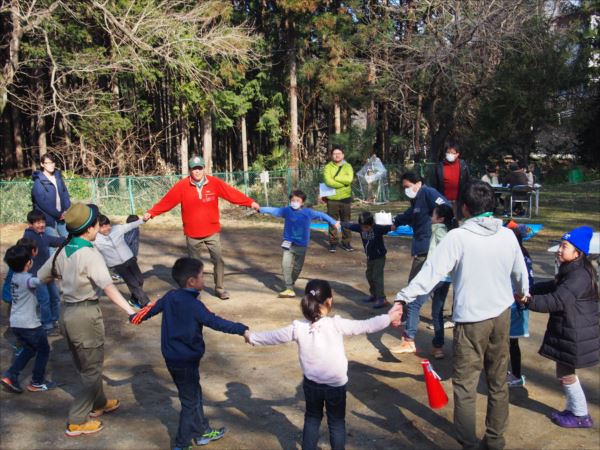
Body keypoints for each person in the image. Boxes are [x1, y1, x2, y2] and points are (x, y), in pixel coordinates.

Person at [392, 181, 529, 450]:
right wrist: (522, 292)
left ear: (464, 208)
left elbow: (430, 273)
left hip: (471, 321)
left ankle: (468, 443)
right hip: (501, 316)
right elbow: (520, 273)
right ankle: (495, 440)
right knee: (497, 381)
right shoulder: (507, 235)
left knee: (466, 386)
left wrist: (403, 297)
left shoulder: (458, 237)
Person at [245, 279, 401, 450]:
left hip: (312, 385)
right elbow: (366, 325)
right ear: (330, 301)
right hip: (336, 385)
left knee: (312, 419)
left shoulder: (298, 327)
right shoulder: (336, 324)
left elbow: (272, 337)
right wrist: (389, 317)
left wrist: (252, 337)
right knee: (336, 422)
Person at [37, 202, 137, 437]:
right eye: (95, 224)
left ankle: (99, 402)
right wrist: (131, 311)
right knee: (91, 370)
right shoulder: (90, 253)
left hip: (67, 313)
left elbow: (41, 276)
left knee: (86, 364)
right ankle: (77, 420)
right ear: (90, 229)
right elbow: (109, 288)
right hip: (85, 315)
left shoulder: (62, 249)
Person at [129, 257, 248, 450]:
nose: (204, 279)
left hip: (176, 359)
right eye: (202, 276)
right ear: (191, 281)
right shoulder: (194, 306)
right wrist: (242, 329)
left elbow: (148, 311)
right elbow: (216, 322)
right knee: (189, 402)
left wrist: (135, 317)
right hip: (184, 361)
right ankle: (181, 444)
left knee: (194, 394)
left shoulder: (170, 296)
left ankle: (202, 431)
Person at [143, 155, 260, 300]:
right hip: (192, 233)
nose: (197, 172)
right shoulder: (182, 186)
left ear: (204, 168)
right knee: (194, 266)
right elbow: (167, 202)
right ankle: (193, 292)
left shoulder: (214, 183)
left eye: (199, 168)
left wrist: (250, 203)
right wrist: (151, 213)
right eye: (194, 169)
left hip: (212, 231)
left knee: (218, 260)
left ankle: (220, 288)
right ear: (190, 170)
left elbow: (231, 194)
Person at [519, 226, 598, 428]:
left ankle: (580, 414)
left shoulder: (578, 276)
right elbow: (552, 287)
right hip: (571, 330)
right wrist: (528, 289)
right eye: (560, 245)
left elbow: (556, 300)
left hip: (575, 333)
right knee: (564, 371)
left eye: (564, 246)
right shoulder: (572, 270)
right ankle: (575, 410)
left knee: (565, 373)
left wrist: (527, 301)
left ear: (578, 252)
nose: (560, 250)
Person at [390, 172, 448, 354]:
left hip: (428, 253)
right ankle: (438, 347)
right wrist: (396, 221)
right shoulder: (416, 201)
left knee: (413, 295)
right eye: (404, 187)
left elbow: (445, 206)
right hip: (428, 252)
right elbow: (410, 215)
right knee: (436, 305)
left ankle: (409, 335)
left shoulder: (429, 193)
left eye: (408, 186)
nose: (406, 190)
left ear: (418, 183)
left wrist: (439, 225)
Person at [259, 190, 340, 298]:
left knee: (297, 267)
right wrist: (260, 209)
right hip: (288, 243)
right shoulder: (286, 211)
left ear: (302, 202)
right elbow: (274, 210)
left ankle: (290, 283)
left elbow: (321, 215)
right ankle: (289, 288)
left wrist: (333, 222)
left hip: (301, 244)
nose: (294, 202)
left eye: (297, 200)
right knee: (285, 265)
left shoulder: (308, 212)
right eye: (293, 200)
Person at [0, 245, 56, 394]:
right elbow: (40, 281)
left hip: (16, 323)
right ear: (29, 263)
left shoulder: (14, 277)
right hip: (29, 325)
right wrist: (54, 272)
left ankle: (11, 375)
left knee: (29, 349)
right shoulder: (28, 279)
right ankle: (36, 382)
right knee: (44, 350)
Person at [22, 209, 65, 334]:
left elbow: (55, 241)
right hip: (36, 276)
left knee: (55, 297)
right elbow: (23, 250)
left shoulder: (43, 235)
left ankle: (54, 320)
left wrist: (69, 238)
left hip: (48, 274)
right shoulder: (28, 236)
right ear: (30, 224)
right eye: (37, 223)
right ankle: (47, 324)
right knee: (44, 299)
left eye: (42, 222)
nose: (41, 225)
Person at [95, 214, 150, 307]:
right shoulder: (95, 239)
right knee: (133, 282)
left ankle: (133, 300)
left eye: (107, 225)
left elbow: (131, 225)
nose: (105, 228)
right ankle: (146, 303)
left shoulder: (117, 229)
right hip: (117, 264)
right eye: (102, 227)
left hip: (129, 258)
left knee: (140, 280)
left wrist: (143, 220)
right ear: (97, 228)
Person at [341, 211, 392, 309]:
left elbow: (390, 227)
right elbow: (350, 225)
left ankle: (382, 298)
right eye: (362, 227)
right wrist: (339, 223)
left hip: (379, 257)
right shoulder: (360, 228)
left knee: (377, 276)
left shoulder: (378, 229)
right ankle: (374, 295)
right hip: (370, 257)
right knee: (369, 275)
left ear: (372, 224)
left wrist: (396, 223)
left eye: (367, 227)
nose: (364, 229)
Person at [506, 223, 534, 388]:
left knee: (509, 342)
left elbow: (520, 283)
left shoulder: (517, 258)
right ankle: (512, 373)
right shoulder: (524, 254)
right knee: (510, 342)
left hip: (516, 305)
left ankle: (515, 375)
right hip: (517, 304)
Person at [31, 153, 71, 239]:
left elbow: (65, 195)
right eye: (48, 163)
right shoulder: (38, 182)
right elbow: (43, 203)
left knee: (68, 241)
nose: (51, 165)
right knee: (52, 247)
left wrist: (67, 210)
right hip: (48, 220)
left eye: (53, 162)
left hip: (63, 217)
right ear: (42, 164)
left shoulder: (58, 178)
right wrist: (58, 214)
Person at [322, 147, 354, 253]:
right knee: (332, 222)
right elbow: (328, 182)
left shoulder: (348, 166)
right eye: (335, 153)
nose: (337, 155)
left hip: (345, 198)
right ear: (331, 155)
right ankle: (333, 243)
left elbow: (349, 180)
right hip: (332, 199)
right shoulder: (327, 167)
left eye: (339, 153)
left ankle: (346, 242)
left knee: (346, 221)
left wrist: (335, 178)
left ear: (343, 155)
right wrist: (342, 182)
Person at [431, 141, 470, 219]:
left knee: (458, 221)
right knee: (445, 220)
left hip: (458, 201)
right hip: (443, 200)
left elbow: (467, 182)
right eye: (448, 152)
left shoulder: (463, 166)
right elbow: (435, 184)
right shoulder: (439, 166)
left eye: (452, 153)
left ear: (457, 154)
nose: (450, 155)